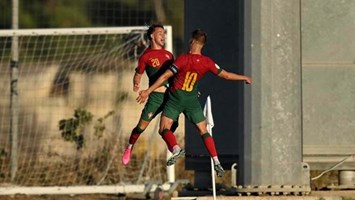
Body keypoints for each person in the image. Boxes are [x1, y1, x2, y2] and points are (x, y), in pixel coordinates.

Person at [136, 29, 252, 177]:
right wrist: (244, 78)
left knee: (164, 128)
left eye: (190, 41)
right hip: (192, 101)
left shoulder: (183, 59)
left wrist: (147, 91)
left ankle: (176, 149)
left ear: (194, 42)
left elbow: (165, 75)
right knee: (204, 130)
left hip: (176, 99)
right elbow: (227, 75)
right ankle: (216, 161)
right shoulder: (207, 62)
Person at [122, 23, 178, 165]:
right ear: (152, 36)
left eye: (164, 33)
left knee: (170, 126)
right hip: (155, 97)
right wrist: (136, 83)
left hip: (170, 96)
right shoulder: (146, 56)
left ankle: (173, 148)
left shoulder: (169, 55)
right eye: (160, 33)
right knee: (141, 127)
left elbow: (175, 74)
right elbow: (138, 73)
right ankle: (129, 147)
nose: (163, 36)